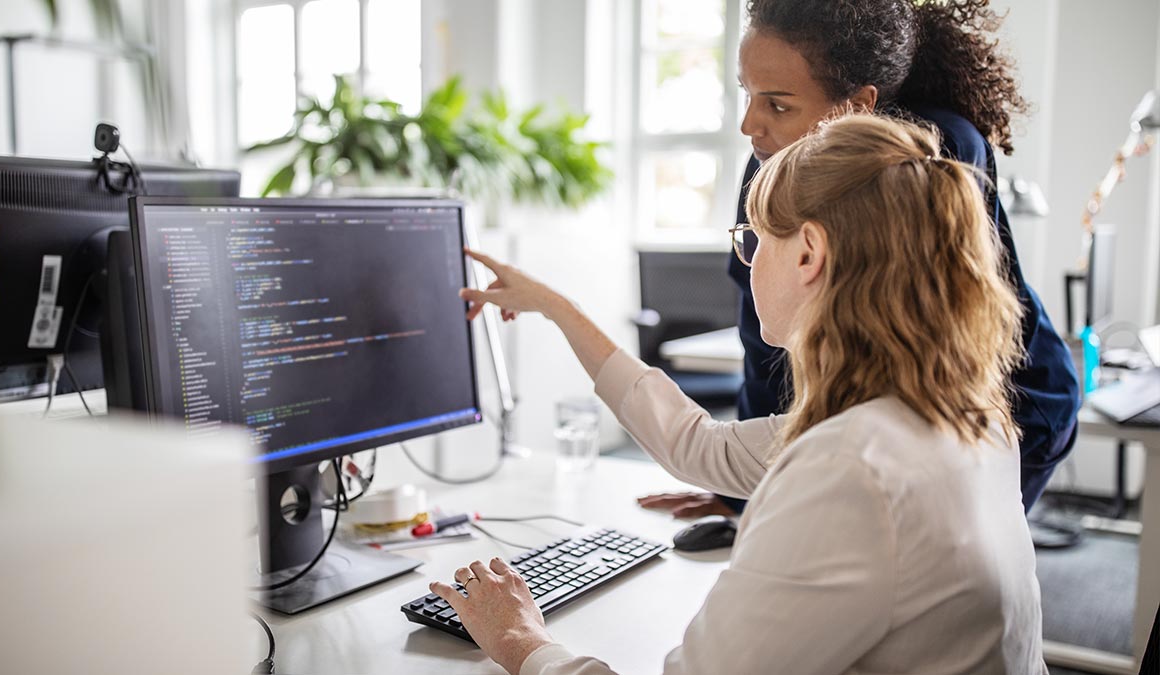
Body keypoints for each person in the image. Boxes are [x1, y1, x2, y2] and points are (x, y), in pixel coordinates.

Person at [433, 114, 1045, 674]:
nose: (747, 264)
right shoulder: (958, 415)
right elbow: (702, 446)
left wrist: (520, 642)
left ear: (808, 253)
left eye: (751, 241)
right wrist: (559, 310)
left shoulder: (851, 469)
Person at [639, 0, 1080, 522]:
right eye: (748, 94)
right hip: (885, 421)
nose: (749, 125)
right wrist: (743, 494)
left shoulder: (932, 157)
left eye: (778, 105)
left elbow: (924, 361)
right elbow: (764, 346)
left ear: (858, 105)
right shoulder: (768, 167)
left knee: (921, 574)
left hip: (1007, 404)